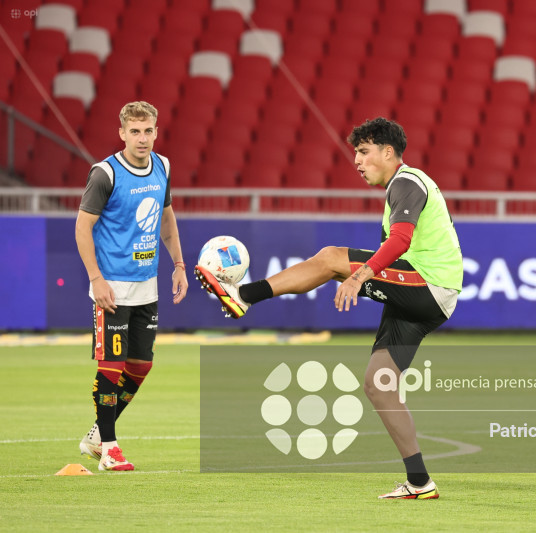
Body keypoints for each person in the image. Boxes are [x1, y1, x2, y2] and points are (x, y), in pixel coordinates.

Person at [195, 117, 462, 499]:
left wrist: (360, 275)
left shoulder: (407, 181)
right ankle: (420, 482)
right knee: (378, 384)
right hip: (431, 296)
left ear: (389, 153)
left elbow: (401, 241)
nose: (356, 160)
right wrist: (363, 274)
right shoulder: (401, 188)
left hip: (429, 284)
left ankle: (244, 295)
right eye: (356, 152)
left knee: (330, 259)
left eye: (364, 151)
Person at [75, 101, 188, 471]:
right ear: (121, 133)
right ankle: (108, 447)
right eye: (135, 131)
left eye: (148, 131)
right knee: (111, 365)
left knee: (140, 366)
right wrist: (96, 278)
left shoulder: (163, 166)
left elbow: (167, 219)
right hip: (111, 287)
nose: (142, 138)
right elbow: (82, 227)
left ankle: (95, 435)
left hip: (147, 285)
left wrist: (179, 265)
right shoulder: (105, 173)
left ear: (157, 131)